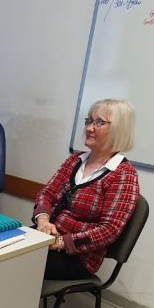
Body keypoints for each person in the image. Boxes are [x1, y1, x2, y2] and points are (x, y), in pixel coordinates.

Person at [33, 99, 139, 280]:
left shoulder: (123, 175)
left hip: (78, 257)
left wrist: (62, 242)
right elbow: (47, 193)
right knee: (2, 251)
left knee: (15, 264)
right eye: (89, 121)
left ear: (118, 129)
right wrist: (43, 220)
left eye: (99, 122)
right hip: (47, 237)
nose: (89, 128)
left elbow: (109, 230)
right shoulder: (74, 160)